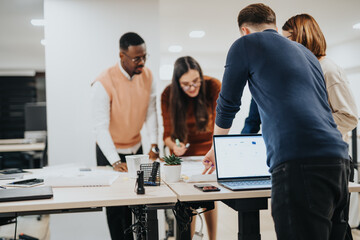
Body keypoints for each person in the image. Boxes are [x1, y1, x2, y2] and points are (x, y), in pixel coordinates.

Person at [202, 3, 352, 240]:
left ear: (245, 30)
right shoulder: (307, 55)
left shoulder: (245, 44)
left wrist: (215, 145)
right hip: (339, 162)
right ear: (273, 24)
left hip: (299, 162)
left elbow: (228, 103)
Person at [92, 32, 159, 240]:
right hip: (110, 151)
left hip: (135, 148)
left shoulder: (147, 76)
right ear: (122, 55)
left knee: (139, 202)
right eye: (136, 58)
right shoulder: (103, 82)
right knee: (115, 207)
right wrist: (114, 160)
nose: (142, 62)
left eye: (145, 56)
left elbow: (151, 112)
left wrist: (154, 143)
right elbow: (100, 127)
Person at [161, 56, 221, 240]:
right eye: (186, 84)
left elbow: (220, 124)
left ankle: (213, 238)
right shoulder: (168, 94)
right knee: (187, 201)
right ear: (178, 84)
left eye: (196, 82)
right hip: (183, 157)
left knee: (209, 196)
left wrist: (214, 150)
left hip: (208, 152)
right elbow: (168, 136)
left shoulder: (213, 86)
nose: (192, 88)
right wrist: (174, 146)